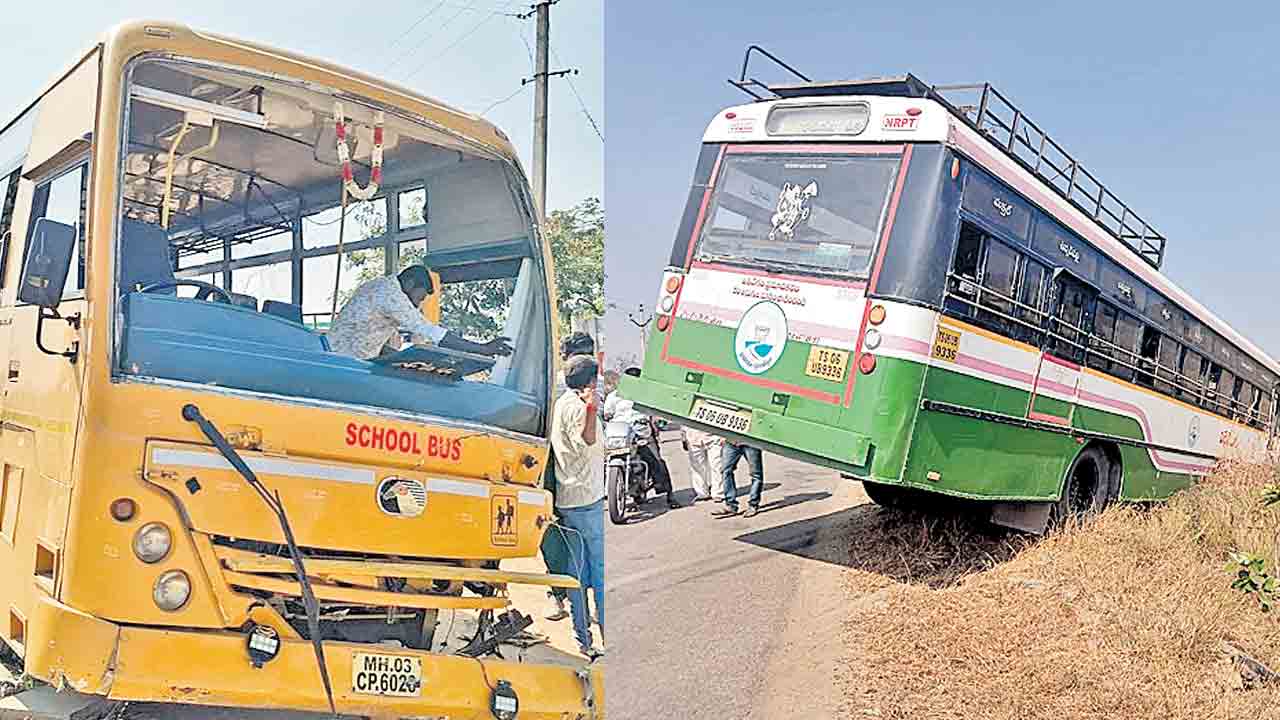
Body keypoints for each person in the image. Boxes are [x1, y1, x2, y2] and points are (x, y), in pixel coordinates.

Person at [326, 265, 513, 360]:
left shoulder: (377, 285)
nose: (418, 304)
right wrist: (484, 349)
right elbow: (432, 332)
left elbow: (365, 331)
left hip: (336, 353)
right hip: (343, 361)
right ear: (409, 284)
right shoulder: (393, 296)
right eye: (420, 297)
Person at [543, 331, 601, 623]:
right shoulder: (555, 385)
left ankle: (584, 602)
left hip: (577, 474)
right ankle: (559, 595)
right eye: (580, 354)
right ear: (566, 357)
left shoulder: (589, 383)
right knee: (554, 538)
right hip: (550, 468)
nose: (585, 359)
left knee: (580, 546)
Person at [551, 354, 606, 659]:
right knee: (597, 574)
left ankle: (583, 640)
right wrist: (592, 407)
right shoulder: (577, 407)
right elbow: (586, 438)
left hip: (569, 498)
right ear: (590, 381)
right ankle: (603, 637)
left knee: (577, 572)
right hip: (586, 498)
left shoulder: (562, 403)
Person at [603, 368, 680, 509]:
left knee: (656, 460)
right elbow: (607, 414)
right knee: (602, 462)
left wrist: (657, 422)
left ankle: (670, 495)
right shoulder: (614, 396)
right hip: (620, 434)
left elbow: (656, 412)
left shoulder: (646, 395)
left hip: (642, 432)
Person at [711, 441, 766, 518]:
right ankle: (731, 505)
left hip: (751, 442)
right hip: (731, 441)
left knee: (756, 475)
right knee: (725, 471)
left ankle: (753, 505)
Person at [683, 426, 724, 502]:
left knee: (717, 466)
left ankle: (718, 493)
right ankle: (702, 493)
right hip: (693, 436)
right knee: (697, 467)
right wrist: (683, 436)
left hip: (714, 436)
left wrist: (723, 435)